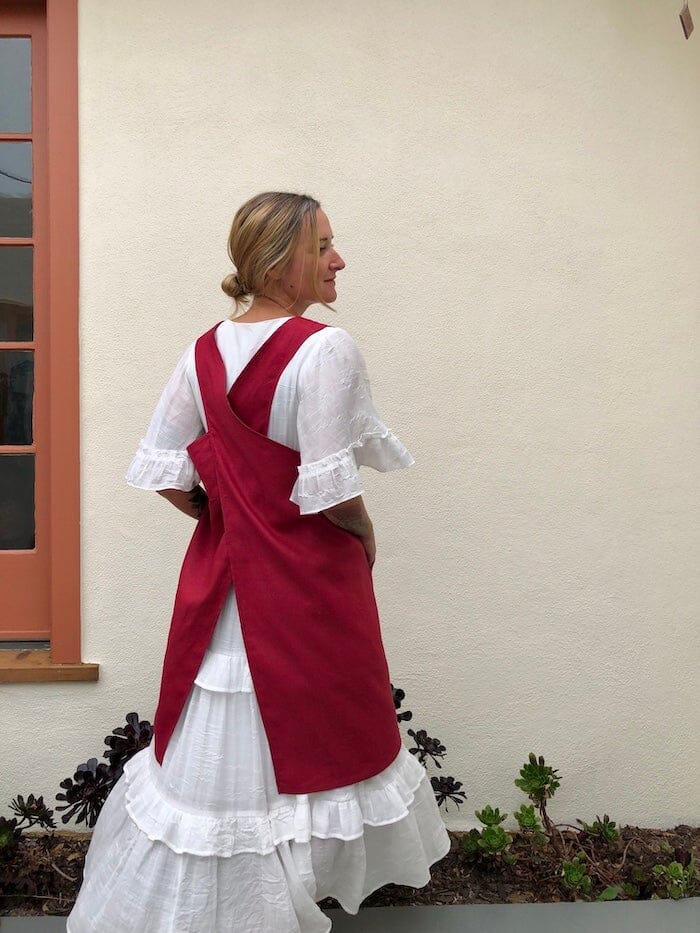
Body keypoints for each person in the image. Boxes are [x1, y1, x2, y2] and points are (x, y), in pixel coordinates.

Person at [68, 192, 450, 932]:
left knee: (215, 763)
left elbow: (168, 472)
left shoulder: (202, 350)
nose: (339, 260)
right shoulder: (325, 346)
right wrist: (364, 532)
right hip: (304, 583)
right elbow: (332, 487)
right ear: (281, 261)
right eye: (324, 247)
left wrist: (230, 516)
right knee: (313, 736)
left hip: (228, 587)